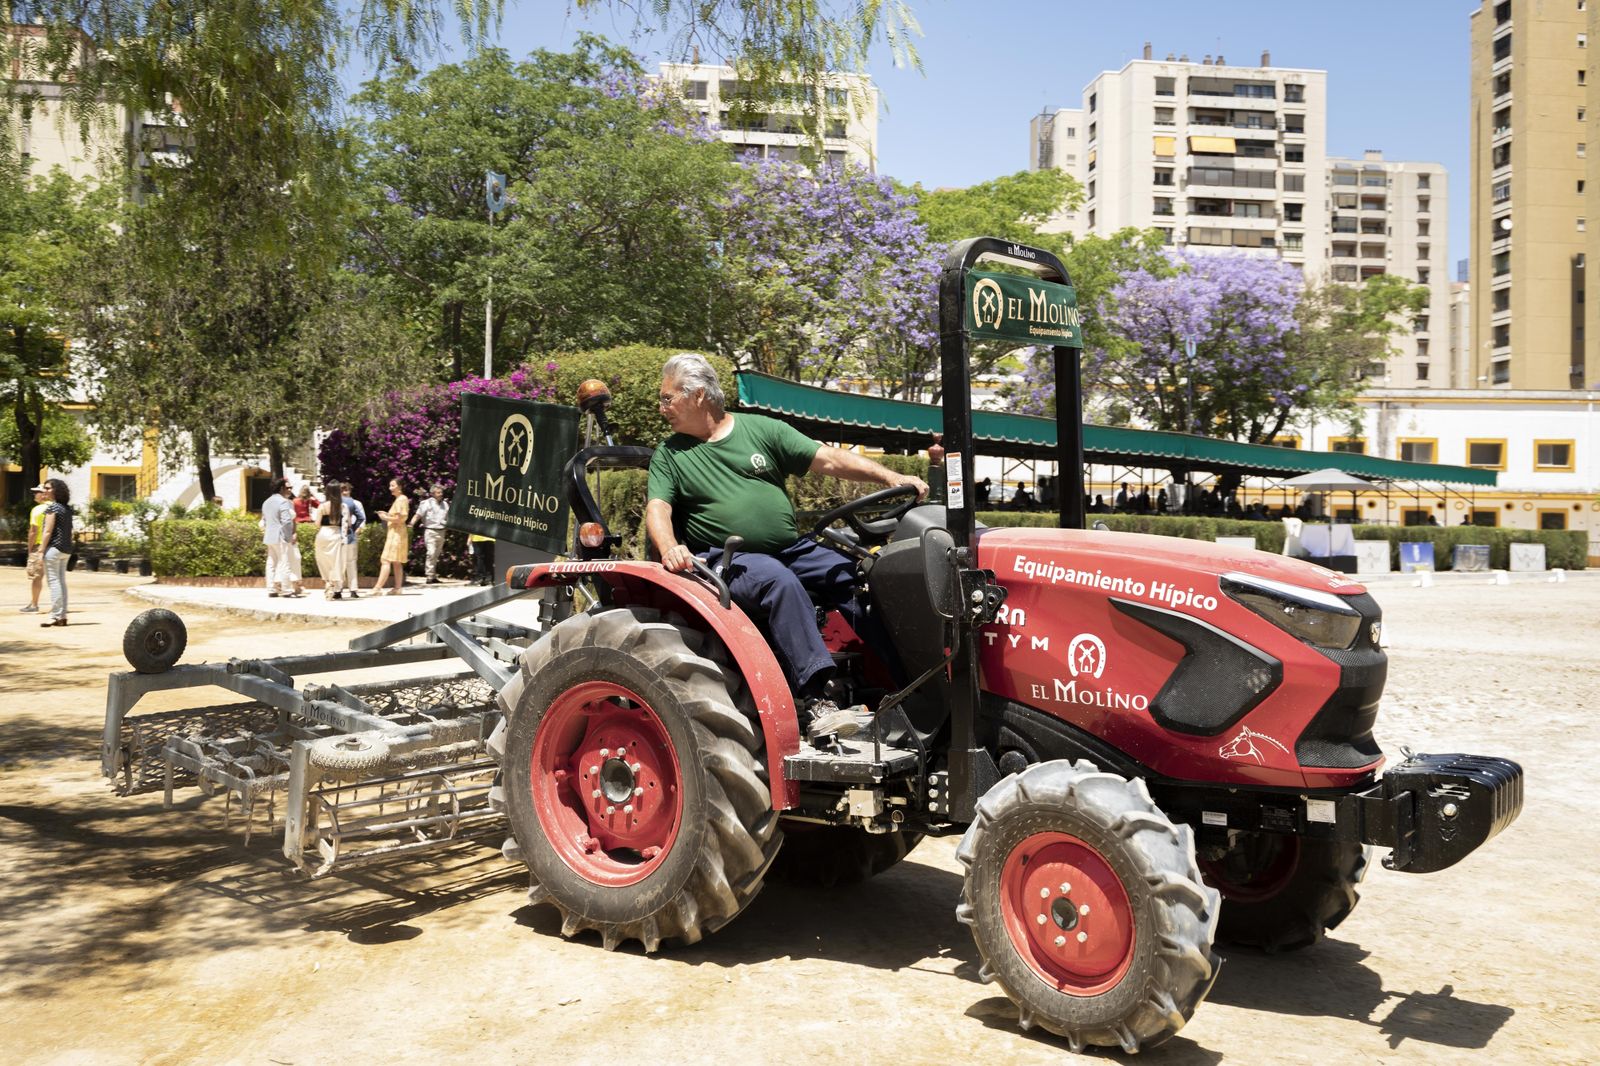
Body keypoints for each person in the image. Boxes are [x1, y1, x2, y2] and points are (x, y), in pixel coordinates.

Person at [645, 353, 925, 737]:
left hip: (793, 548)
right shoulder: (670, 454)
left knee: (858, 577)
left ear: (697, 395)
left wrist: (891, 476)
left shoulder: (762, 430)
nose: (661, 408)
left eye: (666, 398)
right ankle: (816, 700)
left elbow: (828, 459)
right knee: (779, 582)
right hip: (727, 559)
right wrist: (669, 547)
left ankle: (913, 685)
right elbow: (658, 508)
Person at [36, 478, 73, 627]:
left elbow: (47, 531)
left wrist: (40, 551)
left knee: (54, 582)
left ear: (56, 491)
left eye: (48, 488)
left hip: (54, 550)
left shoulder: (53, 508)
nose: (44, 490)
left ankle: (56, 615)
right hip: (66, 550)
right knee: (61, 582)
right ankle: (62, 616)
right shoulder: (66, 509)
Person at [261, 477, 304, 598]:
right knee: (284, 562)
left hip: (269, 535)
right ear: (281, 488)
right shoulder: (283, 502)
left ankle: (271, 589)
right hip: (280, 536)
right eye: (287, 487)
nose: (289, 490)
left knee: (271, 562)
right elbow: (286, 521)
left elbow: (264, 520)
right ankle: (286, 589)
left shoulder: (266, 502)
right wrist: (288, 536)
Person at [373, 478, 410, 595]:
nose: (390, 488)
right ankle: (397, 588)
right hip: (398, 533)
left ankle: (377, 588)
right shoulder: (401, 499)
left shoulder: (400, 500)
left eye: (393, 485)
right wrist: (387, 515)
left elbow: (400, 519)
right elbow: (398, 517)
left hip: (396, 534)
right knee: (396, 561)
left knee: (385, 560)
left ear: (399, 487)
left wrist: (385, 518)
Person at [313, 480, 347, 599]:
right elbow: (345, 525)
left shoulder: (322, 506)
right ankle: (336, 588)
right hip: (336, 535)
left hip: (323, 534)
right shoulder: (343, 506)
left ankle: (328, 582)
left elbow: (317, 524)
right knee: (336, 562)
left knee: (323, 561)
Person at [20, 484, 51, 613]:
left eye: (37, 492)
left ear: (43, 494)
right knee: (55, 578)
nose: (35, 494)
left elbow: (33, 531)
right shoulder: (56, 507)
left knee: (36, 577)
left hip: (39, 546)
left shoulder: (37, 510)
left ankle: (34, 604)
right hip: (54, 546)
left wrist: (30, 548)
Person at [410, 483, 449, 584]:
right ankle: (429, 576)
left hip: (442, 531)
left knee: (436, 555)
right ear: (433, 493)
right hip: (430, 531)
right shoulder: (426, 503)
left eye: (441, 492)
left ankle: (433, 575)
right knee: (431, 553)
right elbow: (418, 515)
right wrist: (411, 524)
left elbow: (449, 517)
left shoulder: (445, 504)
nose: (441, 494)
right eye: (438, 492)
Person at [342, 488, 366, 596]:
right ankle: (344, 588)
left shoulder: (354, 503)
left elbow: (362, 519)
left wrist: (355, 529)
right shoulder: (349, 503)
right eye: (343, 490)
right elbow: (361, 518)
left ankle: (349, 589)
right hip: (346, 535)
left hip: (346, 535)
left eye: (346, 490)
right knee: (347, 562)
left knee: (347, 562)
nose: (345, 492)